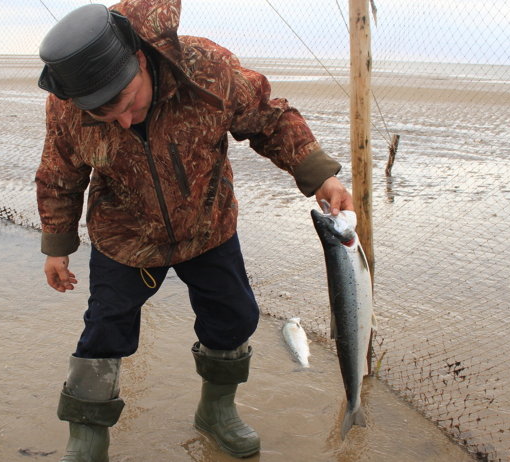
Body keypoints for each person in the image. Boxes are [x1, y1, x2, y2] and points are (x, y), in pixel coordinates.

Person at [35, 1, 353, 460]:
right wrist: (57, 246)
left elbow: (269, 119)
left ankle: (217, 412)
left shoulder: (208, 70)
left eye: (128, 102)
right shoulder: (67, 107)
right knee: (102, 334)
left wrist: (320, 173)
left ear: (141, 61)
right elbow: (58, 176)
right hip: (125, 239)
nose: (125, 121)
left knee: (233, 319)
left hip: (208, 228)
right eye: (108, 116)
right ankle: (86, 440)